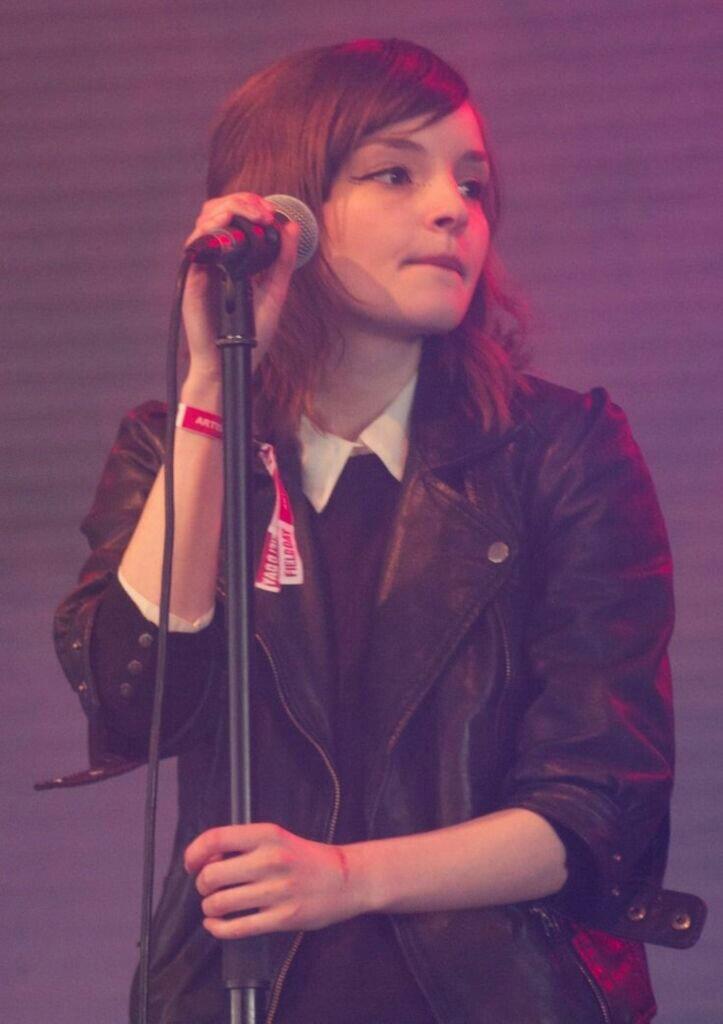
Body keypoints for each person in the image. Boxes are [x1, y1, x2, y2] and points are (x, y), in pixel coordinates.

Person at [52, 38, 685, 1024]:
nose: (452, 208)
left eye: (471, 184)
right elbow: (139, 704)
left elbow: (599, 807)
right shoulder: (174, 445)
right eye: (395, 173)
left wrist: (347, 877)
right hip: (239, 996)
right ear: (286, 213)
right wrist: (213, 388)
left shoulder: (563, 452)